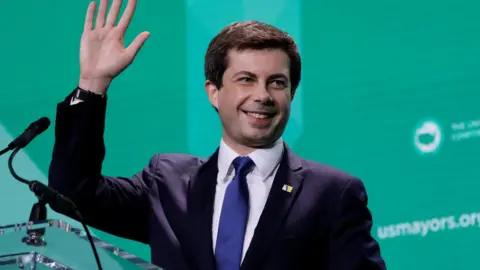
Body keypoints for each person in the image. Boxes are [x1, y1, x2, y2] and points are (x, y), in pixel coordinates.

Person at [48, 0, 387, 269]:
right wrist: (92, 86)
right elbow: (73, 193)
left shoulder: (333, 193)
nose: (263, 96)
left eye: (277, 82)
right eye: (246, 79)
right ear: (213, 92)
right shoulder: (167, 182)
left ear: (291, 94)